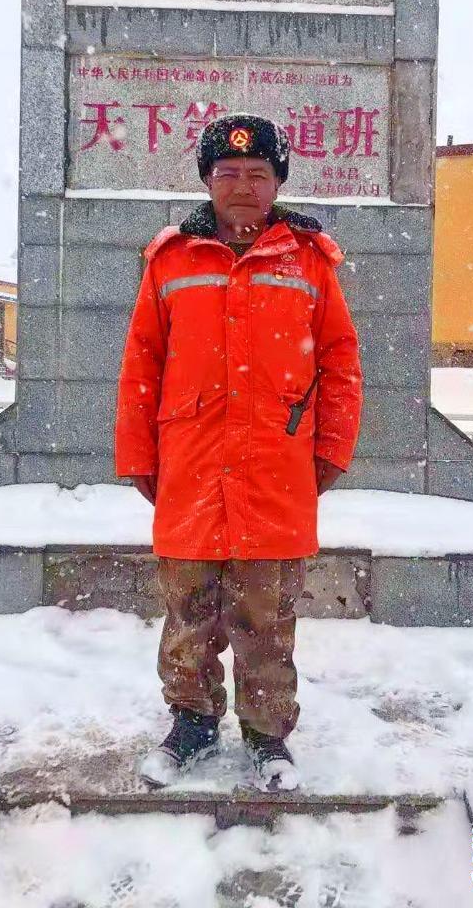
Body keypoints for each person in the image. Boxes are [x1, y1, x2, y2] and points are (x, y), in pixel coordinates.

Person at [114, 113, 363, 791]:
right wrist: (138, 455)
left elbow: (340, 362)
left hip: (274, 466)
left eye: (258, 174)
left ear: (278, 182)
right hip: (190, 465)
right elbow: (142, 362)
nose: (243, 186)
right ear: (208, 181)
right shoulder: (171, 260)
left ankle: (266, 734)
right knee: (188, 611)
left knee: (266, 614)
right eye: (229, 173)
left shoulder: (308, 262)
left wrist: (331, 448)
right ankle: (191, 723)